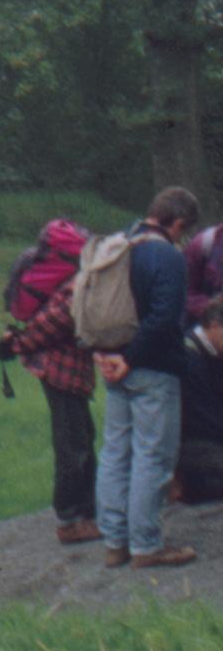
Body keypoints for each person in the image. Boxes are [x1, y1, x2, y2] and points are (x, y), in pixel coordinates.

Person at [92, 186, 202, 570]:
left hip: (112, 362)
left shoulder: (117, 244)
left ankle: (114, 542)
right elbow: (165, 318)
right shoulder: (167, 255)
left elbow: (93, 305)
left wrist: (106, 355)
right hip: (151, 368)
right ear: (178, 223)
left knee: (115, 454)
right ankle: (146, 546)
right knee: (152, 456)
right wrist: (131, 358)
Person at [0, 281, 100, 545]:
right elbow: (52, 322)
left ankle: (88, 511)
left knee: (83, 436)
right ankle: (69, 520)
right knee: (72, 444)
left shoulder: (84, 284)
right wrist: (18, 344)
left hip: (71, 373)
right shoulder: (78, 288)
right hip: (60, 372)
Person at [176, 294, 223, 506]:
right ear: (214, 326)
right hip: (191, 443)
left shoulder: (213, 354)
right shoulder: (189, 358)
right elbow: (203, 418)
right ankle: (187, 486)